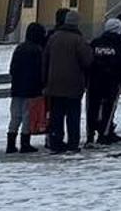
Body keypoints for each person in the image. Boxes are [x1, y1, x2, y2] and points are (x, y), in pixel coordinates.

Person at [43, 10, 95, 153]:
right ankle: (73, 143)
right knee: (73, 115)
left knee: (56, 115)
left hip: (54, 84)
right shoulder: (79, 40)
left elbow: (45, 60)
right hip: (74, 84)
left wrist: (45, 80)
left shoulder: (53, 38)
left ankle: (56, 142)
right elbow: (87, 61)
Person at [88, 17, 121, 145]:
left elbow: (89, 61)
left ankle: (90, 135)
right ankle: (104, 134)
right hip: (112, 81)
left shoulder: (96, 42)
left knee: (92, 107)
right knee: (109, 108)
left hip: (94, 80)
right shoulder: (120, 44)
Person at [7, 22, 47, 154]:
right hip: (32, 89)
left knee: (15, 116)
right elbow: (41, 71)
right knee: (27, 117)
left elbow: (12, 68)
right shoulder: (38, 50)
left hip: (17, 88)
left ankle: (10, 143)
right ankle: (25, 143)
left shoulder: (19, 48)